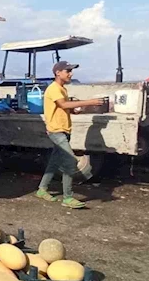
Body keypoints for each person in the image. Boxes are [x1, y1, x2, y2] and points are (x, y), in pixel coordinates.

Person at [35, 61, 105, 209]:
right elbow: (63, 105)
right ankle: (67, 197)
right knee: (70, 162)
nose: (70, 73)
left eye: (71, 71)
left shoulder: (62, 89)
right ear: (58, 73)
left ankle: (42, 189)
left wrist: (73, 111)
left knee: (54, 162)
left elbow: (62, 108)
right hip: (56, 131)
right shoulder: (54, 89)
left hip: (64, 130)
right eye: (68, 71)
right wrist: (90, 102)